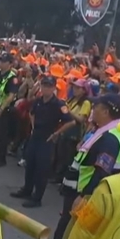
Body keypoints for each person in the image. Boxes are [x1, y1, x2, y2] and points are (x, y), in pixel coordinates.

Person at [17, 94, 120, 239]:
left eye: (96, 108)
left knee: (66, 236)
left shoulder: (110, 138)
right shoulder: (101, 131)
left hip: (87, 199)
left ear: (106, 112)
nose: (93, 111)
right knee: (69, 236)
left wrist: (83, 197)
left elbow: (102, 170)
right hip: (79, 195)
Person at [9, 76, 76, 208]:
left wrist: (57, 133)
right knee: (30, 165)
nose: (46, 88)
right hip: (35, 135)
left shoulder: (59, 104)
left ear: (53, 88)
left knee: (41, 169)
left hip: (47, 138)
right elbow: (31, 112)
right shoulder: (38, 100)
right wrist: (33, 126)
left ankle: (37, 198)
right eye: (44, 85)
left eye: (49, 86)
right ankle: (27, 190)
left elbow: (71, 121)